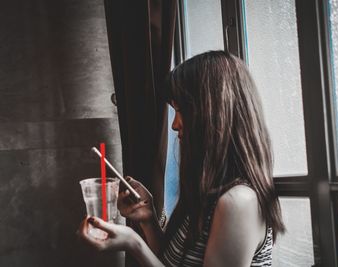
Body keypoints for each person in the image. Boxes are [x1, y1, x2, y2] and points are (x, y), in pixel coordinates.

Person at [77, 50, 285, 266]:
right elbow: (171, 263)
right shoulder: (209, 194)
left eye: (181, 110)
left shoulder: (239, 202)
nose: (175, 124)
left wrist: (133, 243)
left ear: (212, 112)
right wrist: (148, 219)